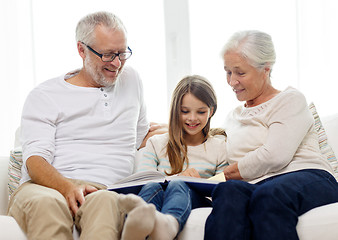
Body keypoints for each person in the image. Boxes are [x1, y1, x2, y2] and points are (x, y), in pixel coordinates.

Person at [7, 11, 165, 240]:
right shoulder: (45, 95)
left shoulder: (132, 81)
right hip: (44, 187)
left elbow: (140, 136)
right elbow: (35, 161)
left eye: (122, 53)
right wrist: (68, 187)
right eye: (108, 55)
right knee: (48, 206)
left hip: (102, 190)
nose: (118, 63)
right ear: (82, 50)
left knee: (107, 203)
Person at [204, 30, 338, 240]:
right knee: (227, 193)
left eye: (240, 73)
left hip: (308, 175)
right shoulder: (233, 117)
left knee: (269, 196)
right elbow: (212, 142)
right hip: (258, 185)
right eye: (228, 72)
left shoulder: (290, 100)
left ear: (265, 69)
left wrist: (223, 176)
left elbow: (275, 155)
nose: (231, 81)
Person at [118, 75, 228, 240]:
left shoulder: (219, 147)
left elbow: (222, 191)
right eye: (185, 111)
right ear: (176, 110)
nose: (192, 118)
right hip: (159, 193)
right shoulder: (157, 143)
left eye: (201, 112)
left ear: (211, 111)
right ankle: (135, 226)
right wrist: (178, 176)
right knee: (150, 188)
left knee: (178, 184)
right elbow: (143, 180)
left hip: (196, 199)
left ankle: (169, 224)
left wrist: (199, 183)